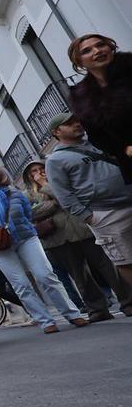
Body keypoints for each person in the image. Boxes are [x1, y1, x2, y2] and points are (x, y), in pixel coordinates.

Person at [0, 163, 87, 333]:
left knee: (45, 275)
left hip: (25, 238)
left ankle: (72, 314)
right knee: (21, 284)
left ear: (0, 175)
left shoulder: (15, 193)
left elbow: (28, 214)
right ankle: (45, 321)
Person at [24, 156, 129, 320]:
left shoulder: (62, 182)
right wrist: (56, 202)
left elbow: (72, 199)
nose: (39, 173)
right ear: (30, 176)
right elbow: (32, 213)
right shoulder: (27, 195)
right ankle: (98, 310)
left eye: (41, 169)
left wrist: (47, 188)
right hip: (57, 238)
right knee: (80, 276)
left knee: (108, 268)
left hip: (84, 231)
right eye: (34, 172)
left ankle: (128, 302)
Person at [45, 112, 132, 305]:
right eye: (69, 124)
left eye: (76, 121)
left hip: (128, 200)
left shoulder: (99, 142)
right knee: (124, 259)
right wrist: (89, 216)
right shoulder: (55, 160)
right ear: (56, 132)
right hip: (104, 213)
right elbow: (63, 194)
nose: (76, 125)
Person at [66, 33, 132, 184]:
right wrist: (123, 149)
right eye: (87, 51)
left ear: (110, 48)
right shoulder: (81, 97)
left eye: (101, 45)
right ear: (79, 61)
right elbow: (97, 136)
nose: (97, 51)